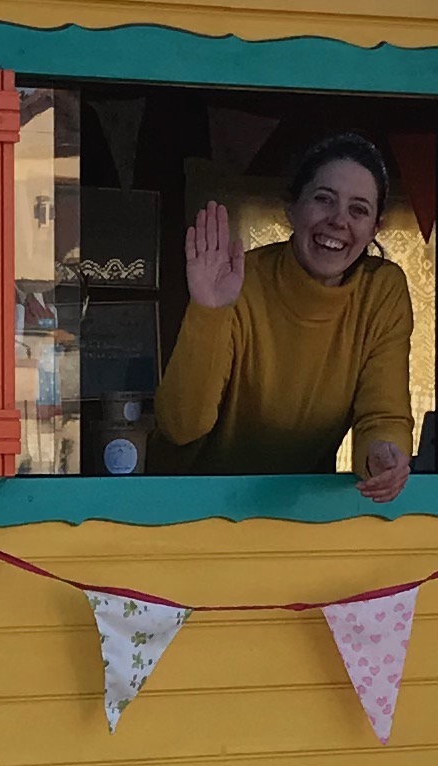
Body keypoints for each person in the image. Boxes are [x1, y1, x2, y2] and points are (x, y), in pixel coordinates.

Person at [151, 133, 416, 497]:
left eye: (359, 209)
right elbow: (180, 426)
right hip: (188, 505)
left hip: (293, 510)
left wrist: (383, 455)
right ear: (292, 208)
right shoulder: (240, 280)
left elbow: (383, 416)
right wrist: (208, 312)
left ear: (375, 228)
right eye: (324, 199)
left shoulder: (381, 290)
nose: (339, 221)